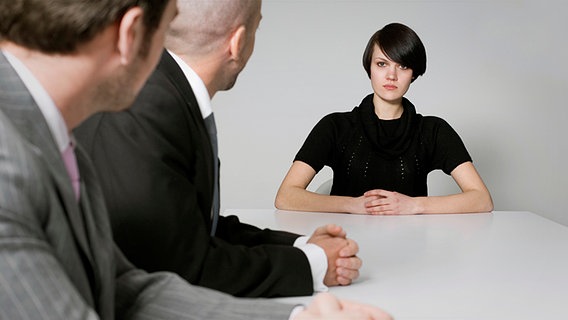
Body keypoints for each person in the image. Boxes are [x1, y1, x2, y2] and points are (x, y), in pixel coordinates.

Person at [0, 1, 392, 319]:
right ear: (132, 34)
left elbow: (125, 288)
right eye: (168, 27)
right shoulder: (8, 167)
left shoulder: (57, 138)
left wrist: (299, 319)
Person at [75, 0, 362, 298]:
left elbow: (192, 227)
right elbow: (188, 268)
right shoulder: (151, 109)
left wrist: (302, 245)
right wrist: (314, 263)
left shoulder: (161, 91)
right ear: (237, 42)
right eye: (257, 27)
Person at [275, 22, 494, 216]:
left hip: (412, 245)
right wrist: (353, 205)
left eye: (403, 66)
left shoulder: (432, 130)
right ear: (369, 68)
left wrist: (414, 206)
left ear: (414, 74)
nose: (392, 75)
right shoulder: (335, 126)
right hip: (346, 244)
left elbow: (481, 199)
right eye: (382, 64)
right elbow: (286, 197)